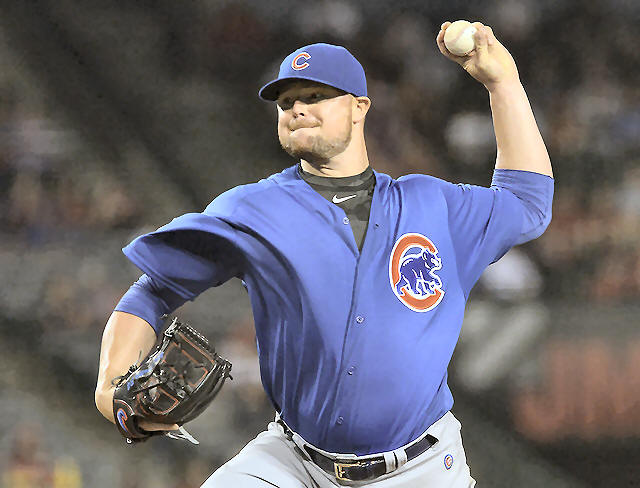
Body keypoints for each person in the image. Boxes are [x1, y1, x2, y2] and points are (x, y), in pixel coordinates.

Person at [95, 21, 554, 487]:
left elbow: (528, 202)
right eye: (286, 102)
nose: (297, 109)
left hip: (422, 468)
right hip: (294, 462)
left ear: (359, 108)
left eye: (315, 96)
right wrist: (110, 383)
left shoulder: (433, 205)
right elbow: (153, 290)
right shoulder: (253, 210)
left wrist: (503, 83)